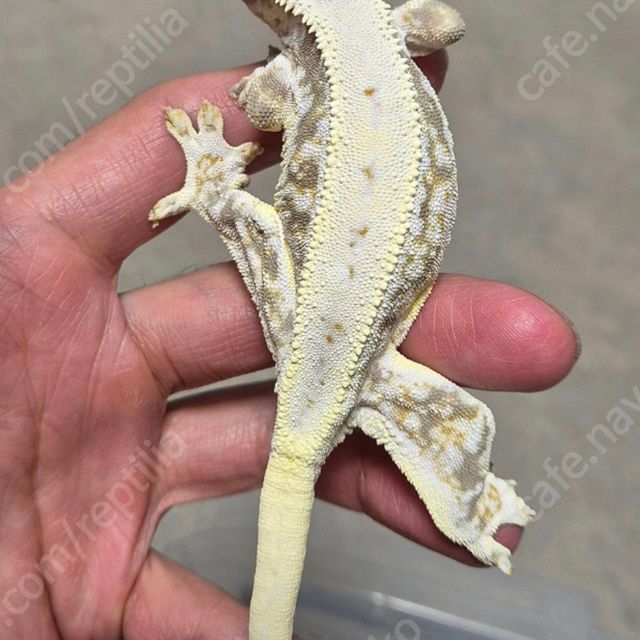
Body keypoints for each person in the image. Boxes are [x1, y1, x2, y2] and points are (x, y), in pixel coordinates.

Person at [0, 52, 579, 637]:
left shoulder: (302, 68)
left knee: (449, 417)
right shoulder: (362, 50)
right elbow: (438, 26)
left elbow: (260, 103)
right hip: (346, 342)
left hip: (331, 332)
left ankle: (216, 193)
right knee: (464, 425)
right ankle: (473, 513)